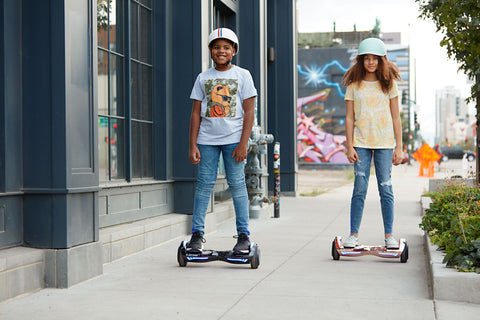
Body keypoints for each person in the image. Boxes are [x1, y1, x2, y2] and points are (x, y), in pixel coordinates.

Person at [187, 27, 257, 253]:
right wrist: (193, 144)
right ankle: (197, 235)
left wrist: (243, 143)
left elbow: (249, 112)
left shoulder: (242, 75)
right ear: (210, 50)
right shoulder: (203, 77)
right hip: (207, 140)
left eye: (226, 47)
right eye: (217, 47)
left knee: (237, 185)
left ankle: (244, 235)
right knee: (204, 186)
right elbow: (196, 113)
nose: (221, 51)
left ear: (234, 51)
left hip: (234, 140)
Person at [341, 37, 403, 249]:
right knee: (359, 188)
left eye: (375, 58)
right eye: (367, 58)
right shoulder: (354, 85)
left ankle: (389, 236)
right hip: (361, 143)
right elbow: (349, 117)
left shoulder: (389, 85)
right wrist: (349, 146)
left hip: (385, 143)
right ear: (361, 60)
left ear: (381, 60)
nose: (370, 62)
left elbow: (396, 117)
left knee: (385, 188)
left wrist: (399, 147)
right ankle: (353, 234)